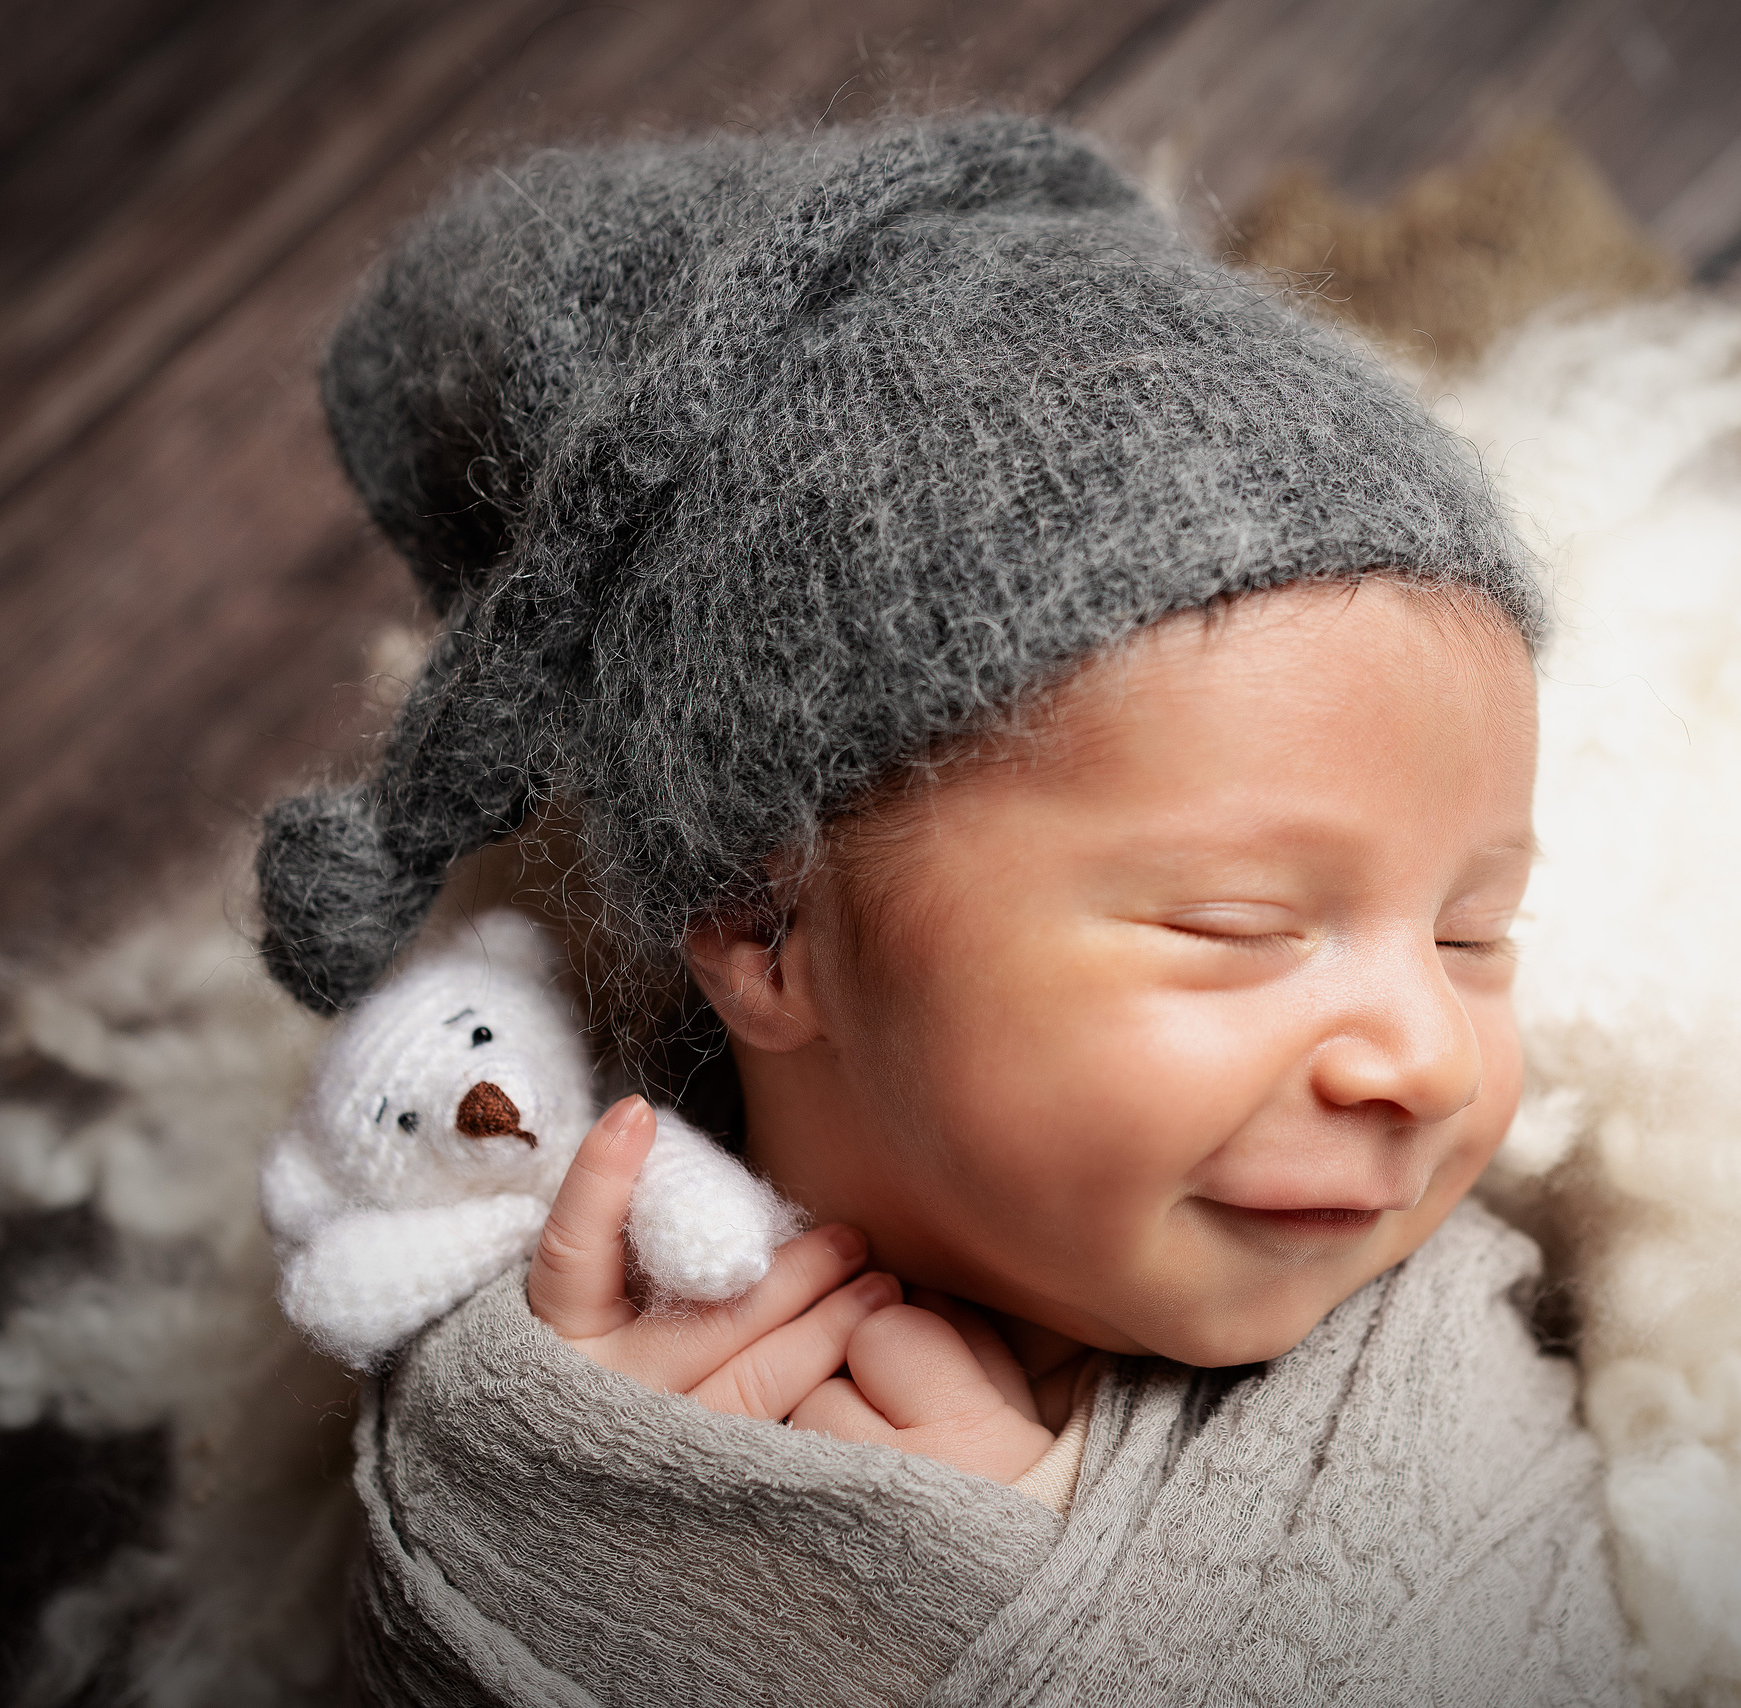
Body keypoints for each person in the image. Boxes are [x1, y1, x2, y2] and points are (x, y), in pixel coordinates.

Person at [256, 112, 1633, 1705]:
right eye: (1238, 927)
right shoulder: (558, 1421)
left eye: (1473, 937)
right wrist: (572, 1512)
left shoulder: (1436, 1384)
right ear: (762, 923)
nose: (1431, 1058)